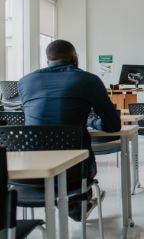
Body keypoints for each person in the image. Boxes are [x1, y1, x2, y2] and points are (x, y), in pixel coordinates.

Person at [18, 39, 121, 221]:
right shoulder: (88, 80)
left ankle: (75, 205)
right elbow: (113, 125)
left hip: (29, 172)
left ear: (47, 58)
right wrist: (92, 121)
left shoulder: (26, 81)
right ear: (75, 58)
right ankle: (76, 205)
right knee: (73, 165)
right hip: (75, 171)